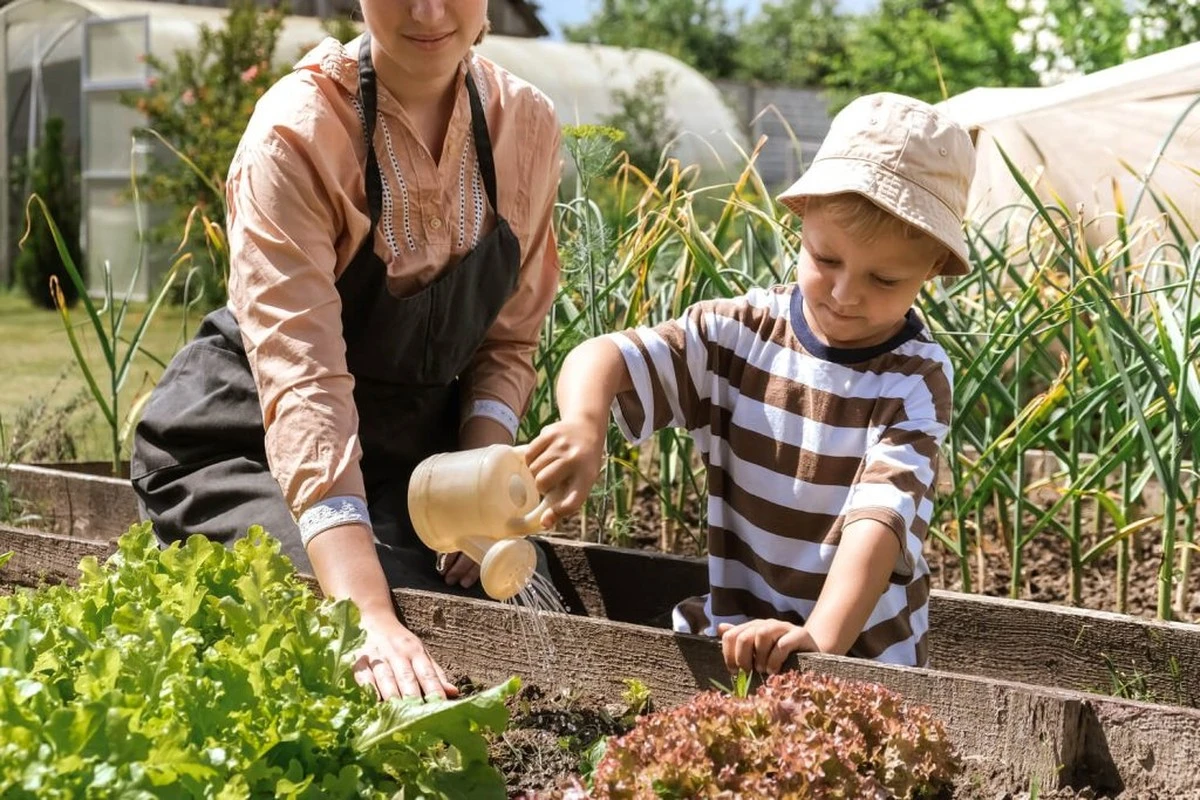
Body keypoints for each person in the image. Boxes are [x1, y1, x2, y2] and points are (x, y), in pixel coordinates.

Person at [130, 0, 562, 702]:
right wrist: (365, 615)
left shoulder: (527, 126)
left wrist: (475, 489)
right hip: (250, 444)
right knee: (378, 625)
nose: (427, 11)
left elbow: (508, 339)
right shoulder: (297, 134)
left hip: (406, 462)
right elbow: (306, 389)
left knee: (489, 593)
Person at [523, 92, 975, 674]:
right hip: (734, 638)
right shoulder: (736, 335)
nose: (845, 294)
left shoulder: (913, 379)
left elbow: (880, 522)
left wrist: (820, 639)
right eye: (825, 259)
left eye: (884, 279)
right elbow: (603, 354)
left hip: (862, 659)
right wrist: (584, 426)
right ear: (803, 215)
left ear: (933, 268)